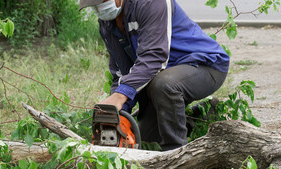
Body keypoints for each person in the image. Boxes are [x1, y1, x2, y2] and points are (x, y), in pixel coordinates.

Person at [79, 0, 230, 150]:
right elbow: (121, 71)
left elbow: (154, 57)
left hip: (205, 65)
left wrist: (120, 95)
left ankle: (176, 154)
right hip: (161, 74)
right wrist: (119, 112)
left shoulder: (151, 3)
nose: (100, 9)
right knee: (147, 139)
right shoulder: (107, 24)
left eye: (103, 2)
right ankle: (200, 115)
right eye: (95, 6)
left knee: (165, 85)